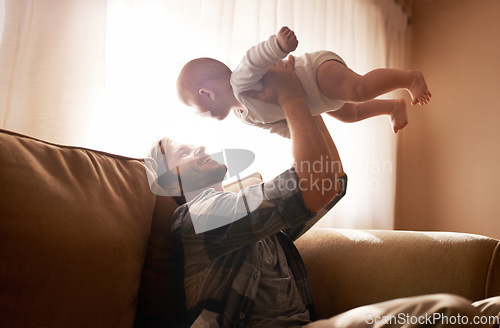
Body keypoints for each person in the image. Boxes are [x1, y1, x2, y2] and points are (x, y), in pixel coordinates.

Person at [150, 57, 499, 327]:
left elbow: (331, 184)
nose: (198, 149)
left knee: (490, 311)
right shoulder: (199, 218)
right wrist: (290, 98)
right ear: (172, 185)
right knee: (447, 312)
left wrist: (300, 104)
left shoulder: (242, 213)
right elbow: (314, 186)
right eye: (183, 154)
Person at [176, 26, 432, 138]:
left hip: (315, 73)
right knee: (350, 114)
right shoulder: (245, 118)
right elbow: (281, 126)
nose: (197, 115)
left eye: (193, 108)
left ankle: (410, 78)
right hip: (317, 100)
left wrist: (278, 46)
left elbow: (254, 59)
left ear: (207, 93)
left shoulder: (240, 83)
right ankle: (392, 107)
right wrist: (299, 135)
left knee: (359, 90)